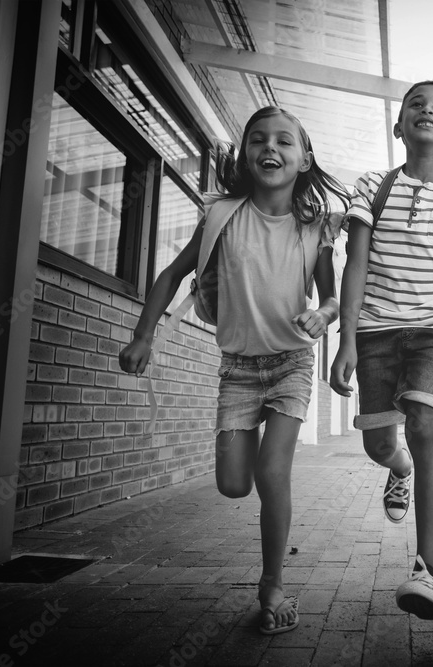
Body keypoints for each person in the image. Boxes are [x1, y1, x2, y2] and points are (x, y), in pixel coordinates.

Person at [119, 106, 349, 635]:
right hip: (238, 370)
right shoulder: (221, 215)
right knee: (232, 485)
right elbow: (173, 273)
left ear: (304, 157)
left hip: (291, 361)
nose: (271, 148)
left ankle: (272, 584)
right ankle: (268, 564)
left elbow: (333, 298)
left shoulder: (314, 228)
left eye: (284, 141)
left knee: (273, 474)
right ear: (245, 154)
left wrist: (322, 314)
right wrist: (142, 336)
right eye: (258, 140)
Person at [329, 81, 433, 620]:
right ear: (399, 127)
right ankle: (397, 469)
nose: (428, 110)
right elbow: (354, 266)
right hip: (375, 331)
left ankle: (429, 572)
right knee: (380, 444)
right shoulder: (372, 186)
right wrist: (347, 339)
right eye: (415, 105)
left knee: (424, 423)